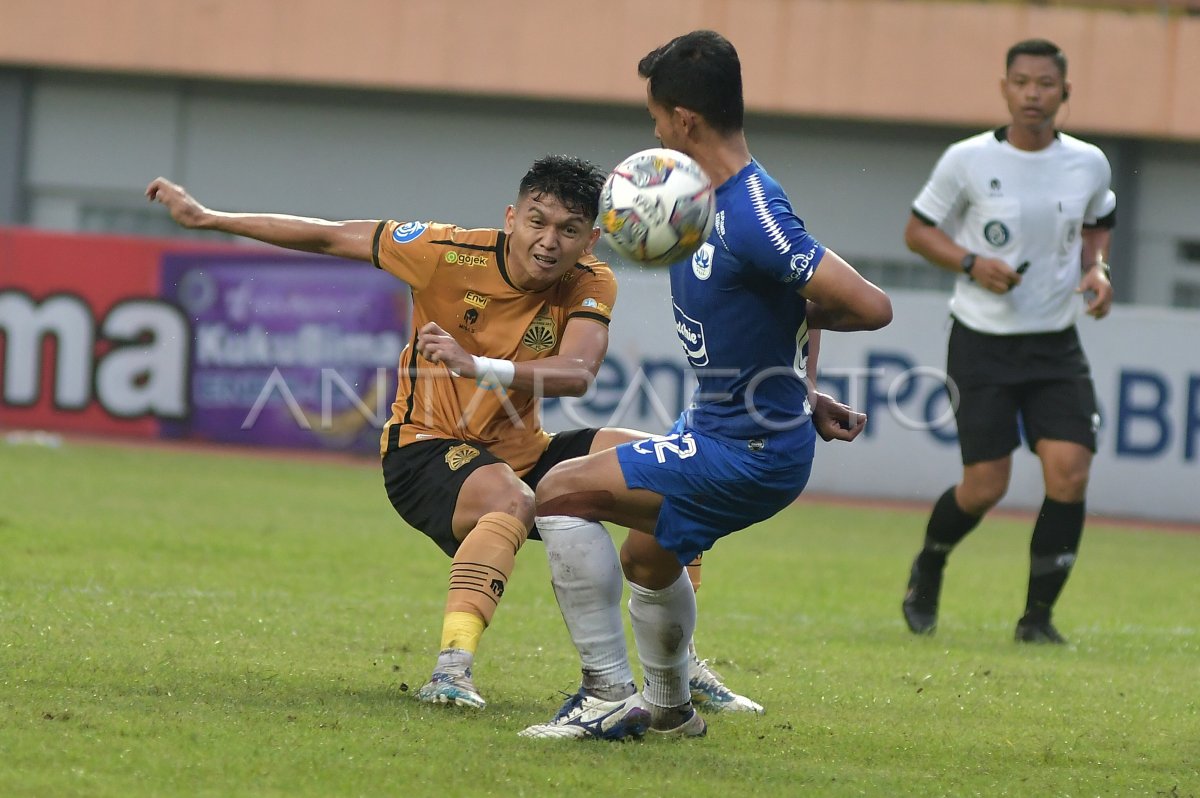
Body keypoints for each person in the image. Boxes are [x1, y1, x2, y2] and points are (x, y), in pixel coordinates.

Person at [144, 156, 765, 724]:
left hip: (523, 448)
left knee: (669, 471)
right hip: (424, 447)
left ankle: (679, 667)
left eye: (569, 229)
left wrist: (476, 365)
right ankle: (451, 669)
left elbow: (577, 373)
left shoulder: (591, 281)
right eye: (537, 221)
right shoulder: (442, 251)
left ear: (592, 239)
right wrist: (208, 218)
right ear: (510, 218)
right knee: (510, 501)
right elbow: (328, 234)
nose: (549, 242)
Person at [520, 30, 892, 739]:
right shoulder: (699, 200)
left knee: (560, 489)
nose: (654, 131)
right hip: (725, 428)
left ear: (685, 120)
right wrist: (803, 392)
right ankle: (671, 712)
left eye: (657, 117)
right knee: (648, 558)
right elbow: (787, 307)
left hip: (748, 450)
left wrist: (792, 383)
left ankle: (604, 695)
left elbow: (869, 304)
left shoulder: (752, 211)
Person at [900, 38, 1116, 645]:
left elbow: (1100, 222)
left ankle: (1037, 619)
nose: (1032, 94)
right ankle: (931, 562)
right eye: (1021, 82)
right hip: (981, 343)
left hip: (1055, 345)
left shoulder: (1089, 163)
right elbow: (918, 231)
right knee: (985, 486)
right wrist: (970, 262)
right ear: (1004, 88)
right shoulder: (966, 159)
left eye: (1045, 84)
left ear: (1064, 92)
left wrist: (1097, 272)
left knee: (1069, 472)